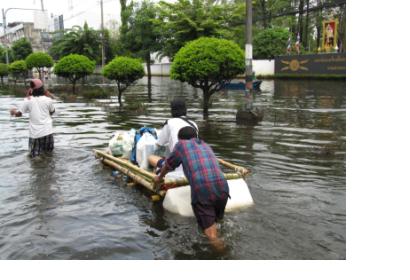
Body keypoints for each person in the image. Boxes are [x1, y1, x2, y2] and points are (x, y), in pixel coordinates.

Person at [152, 126, 230, 251]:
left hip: (203, 189)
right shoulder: (205, 145)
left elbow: (168, 165)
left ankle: (225, 256)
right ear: (196, 137)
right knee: (218, 222)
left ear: (180, 139)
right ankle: (221, 246)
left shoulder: (181, 145)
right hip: (223, 186)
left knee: (211, 235)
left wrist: (159, 177)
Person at [10, 78, 56, 158]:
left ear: (31, 89)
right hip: (48, 132)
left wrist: (13, 112)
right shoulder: (48, 100)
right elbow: (52, 112)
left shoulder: (27, 101)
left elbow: (19, 114)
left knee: (35, 158)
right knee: (49, 156)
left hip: (35, 134)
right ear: (42, 89)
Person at [155, 98, 198, 173]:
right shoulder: (194, 124)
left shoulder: (170, 122)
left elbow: (159, 144)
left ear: (172, 110)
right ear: (185, 109)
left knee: (151, 157)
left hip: (176, 168)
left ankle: (154, 172)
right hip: (193, 166)